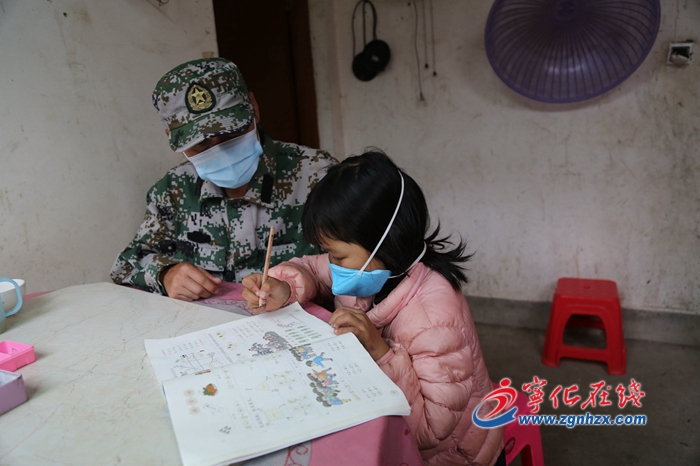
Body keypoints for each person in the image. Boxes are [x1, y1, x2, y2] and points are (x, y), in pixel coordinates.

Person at [241, 151, 505, 465]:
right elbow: (313, 270)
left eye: (338, 256)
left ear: (384, 241)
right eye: (329, 254)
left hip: (452, 453)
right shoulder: (372, 266)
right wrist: (284, 288)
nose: (332, 264)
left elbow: (428, 431)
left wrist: (380, 351)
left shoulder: (435, 322)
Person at [110, 58, 336, 301]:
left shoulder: (318, 176)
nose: (222, 152)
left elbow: (359, 263)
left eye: (231, 132)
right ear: (172, 138)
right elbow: (126, 264)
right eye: (201, 144)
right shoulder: (173, 191)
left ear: (254, 108)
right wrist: (165, 274)